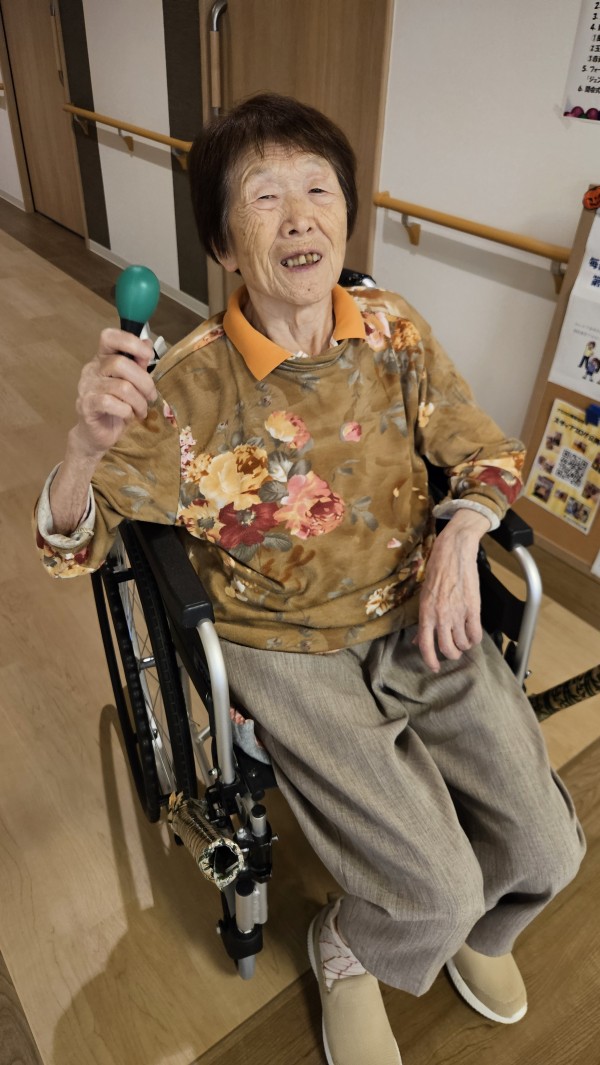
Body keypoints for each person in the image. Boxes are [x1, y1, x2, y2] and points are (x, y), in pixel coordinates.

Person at [35, 94, 585, 1065]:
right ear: (225, 244)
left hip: (417, 609)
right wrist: (84, 447)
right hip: (285, 648)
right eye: (265, 195)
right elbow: (73, 546)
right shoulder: (188, 389)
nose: (299, 217)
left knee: (551, 846)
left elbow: (484, 450)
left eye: (318, 190)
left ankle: (474, 931)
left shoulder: (393, 330)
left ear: (345, 214)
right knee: (434, 883)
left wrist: (463, 532)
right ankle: (351, 945)